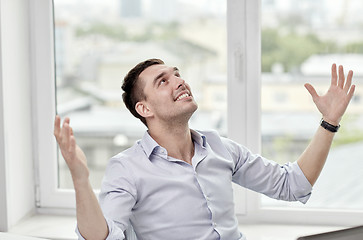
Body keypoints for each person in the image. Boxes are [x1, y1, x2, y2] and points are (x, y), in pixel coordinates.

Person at [53, 59, 355, 240]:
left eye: (177, 74)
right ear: (144, 108)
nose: (180, 82)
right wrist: (80, 179)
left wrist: (329, 121)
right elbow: (102, 237)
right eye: (163, 81)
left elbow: (293, 185)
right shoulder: (127, 168)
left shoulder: (220, 147)